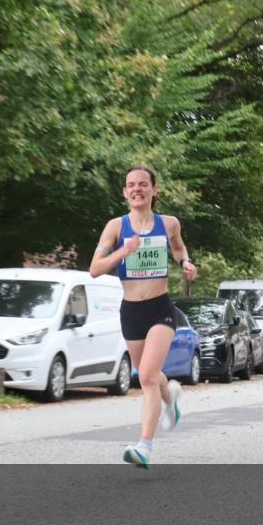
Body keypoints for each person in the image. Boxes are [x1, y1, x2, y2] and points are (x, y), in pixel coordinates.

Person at [89, 165, 198, 468]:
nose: (136, 189)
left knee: (148, 376)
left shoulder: (169, 224)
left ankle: (144, 447)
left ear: (153, 190)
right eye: (131, 185)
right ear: (125, 192)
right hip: (131, 311)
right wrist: (123, 251)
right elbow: (95, 269)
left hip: (161, 308)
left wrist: (186, 263)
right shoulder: (116, 227)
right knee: (148, 374)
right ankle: (170, 398)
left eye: (143, 184)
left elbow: (179, 250)